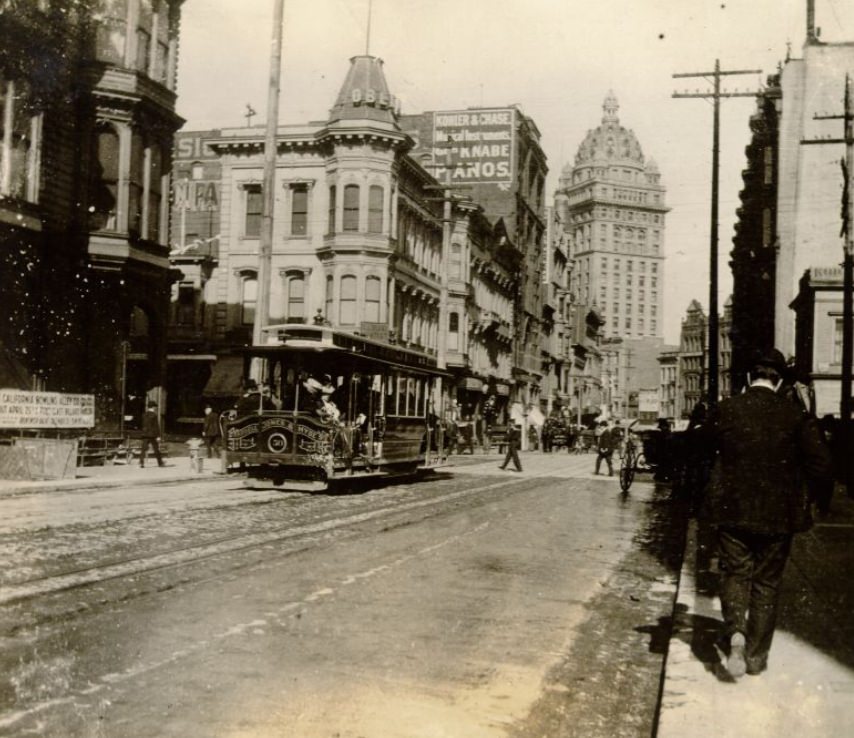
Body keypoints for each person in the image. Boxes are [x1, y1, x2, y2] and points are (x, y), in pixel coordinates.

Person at [700, 348, 832, 678]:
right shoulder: (796, 416)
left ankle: (735, 634)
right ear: (781, 380)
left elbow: (698, 452)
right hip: (779, 517)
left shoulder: (726, 410)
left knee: (735, 573)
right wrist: (819, 502)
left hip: (733, 512)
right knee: (767, 584)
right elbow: (821, 466)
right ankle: (757, 657)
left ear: (748, 378)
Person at [140, 401, 165, 468]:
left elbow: (143, 425)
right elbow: (156, 426)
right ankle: (160, 463)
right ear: (153, 407)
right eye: (155, 407)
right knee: (156, 449)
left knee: (143, 449)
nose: (155, 408)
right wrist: (158, 436)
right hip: (152, 435)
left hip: (145, 434)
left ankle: (141, 462)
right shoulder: (154, 415)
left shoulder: (144, 414)